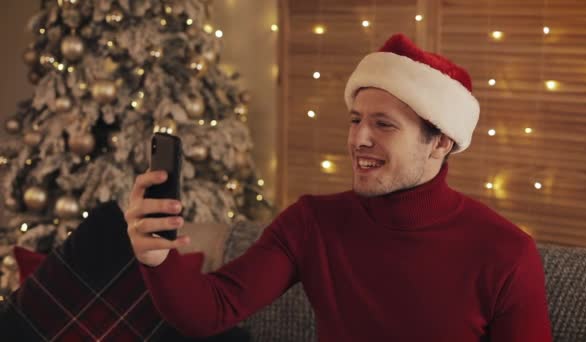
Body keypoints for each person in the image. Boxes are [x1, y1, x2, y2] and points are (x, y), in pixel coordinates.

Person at [124, 33, 552, 341]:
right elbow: (212, 310)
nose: (358, 139)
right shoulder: (313, 221)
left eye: (383, 124)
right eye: (355, 119)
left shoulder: (506, 253)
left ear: (440, 142)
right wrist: (157, 256)